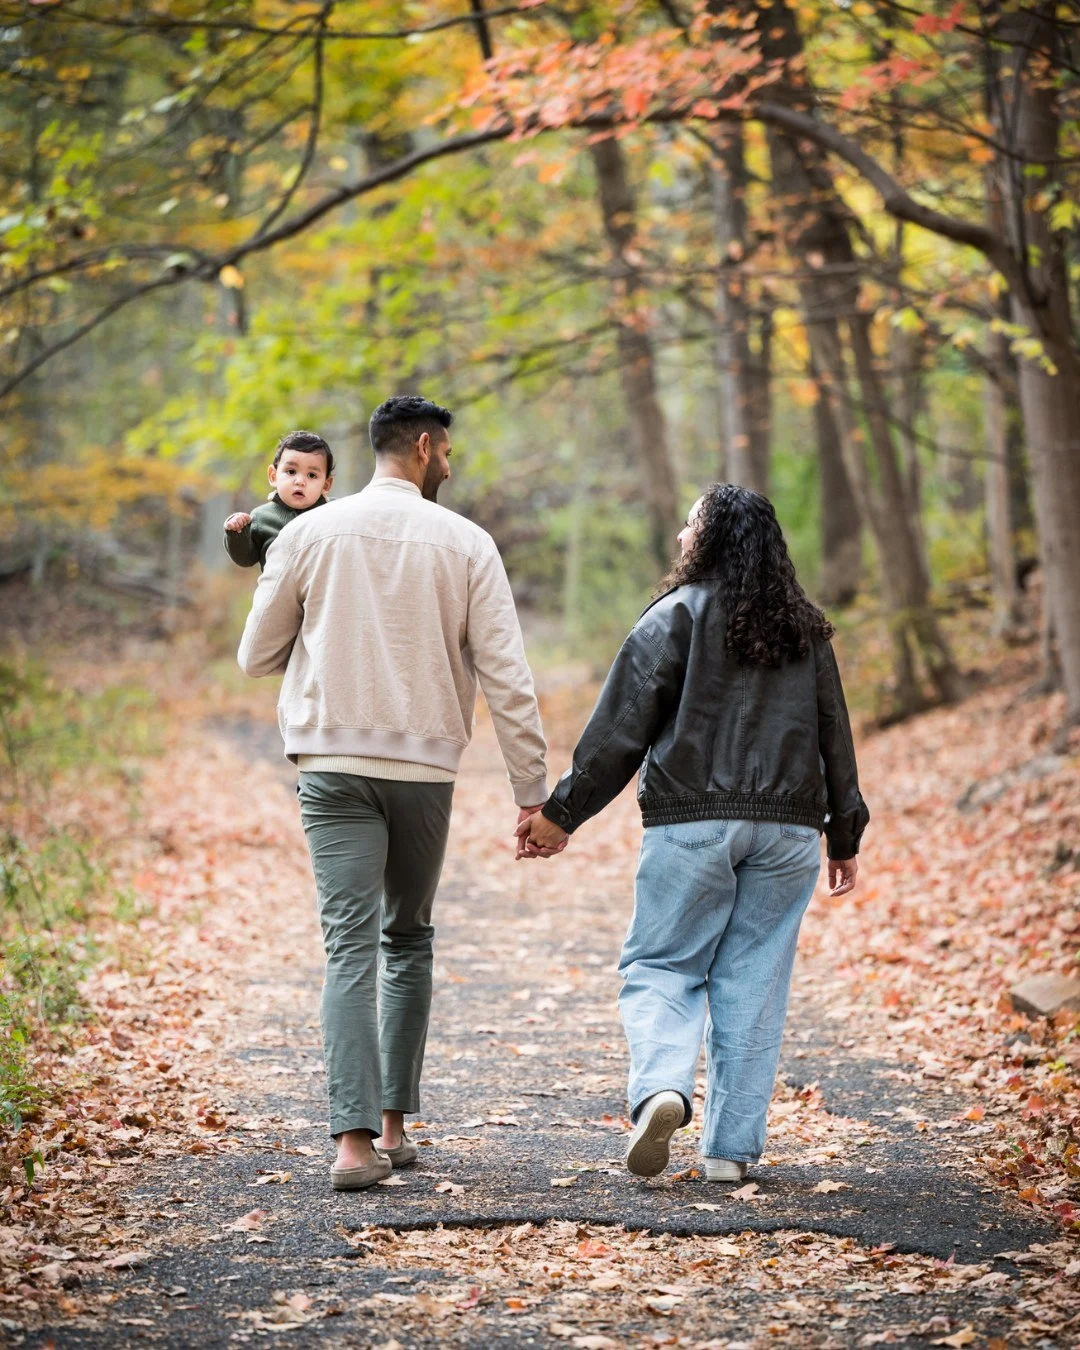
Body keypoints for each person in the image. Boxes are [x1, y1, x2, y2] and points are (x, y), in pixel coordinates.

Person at [237, 395, 549, 1191]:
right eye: (446, 452)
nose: (449, 465)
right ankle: (394, 1127)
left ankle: (351, 1149)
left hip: (331, 766)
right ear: (422, 446)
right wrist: (532, 791)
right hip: (423, 774)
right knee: (405, 937)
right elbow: (507, 674)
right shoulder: (469, 543)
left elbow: (256, 654)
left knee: (348, 945)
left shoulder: (307, 533)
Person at [517, 484, 869, 1182]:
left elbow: (619, 731)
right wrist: (845, 835)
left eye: (690, 525)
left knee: (662, 965)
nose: (682, 535)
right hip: (790, 835)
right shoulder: (807, 631)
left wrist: (561, 815)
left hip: (692, 823)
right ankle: (730, 1155)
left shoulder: (673, 616)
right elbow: (835, 733)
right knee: (754, 984)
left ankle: (662, 1090)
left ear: (710, 542)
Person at [223, 430, 334, 569]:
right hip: (277, 589)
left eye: (311, 475)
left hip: (322, 589)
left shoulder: (335, 512)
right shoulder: (262, 517)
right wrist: (237, 532)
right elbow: (245, 559)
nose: (300, 481)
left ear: (326, 485)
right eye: (291, 472)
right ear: (273, 476)